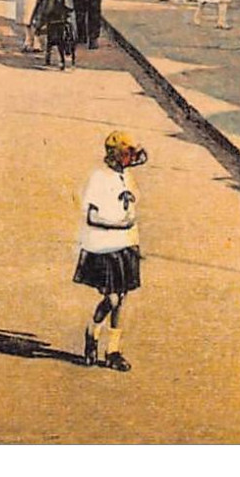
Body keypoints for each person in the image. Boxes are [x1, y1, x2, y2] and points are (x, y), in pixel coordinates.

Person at [76, 131, 147, 371]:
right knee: (113, 297)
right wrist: (118, 224)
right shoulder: (99, 178)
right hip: (103, 246)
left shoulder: (126, 177)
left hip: (125, 244)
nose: (132, 158)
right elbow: (92, 216)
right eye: (128, 154)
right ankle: (92, 333)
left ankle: (113, 350)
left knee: (122, 299)